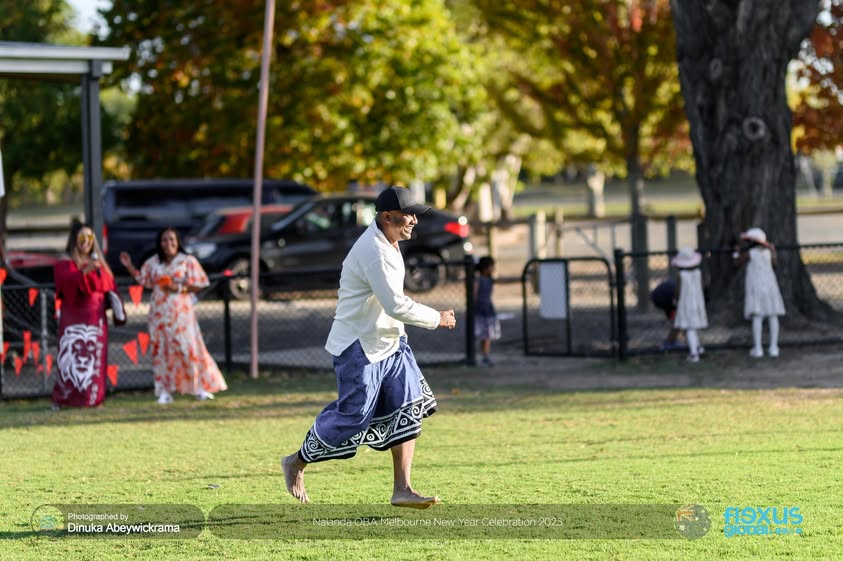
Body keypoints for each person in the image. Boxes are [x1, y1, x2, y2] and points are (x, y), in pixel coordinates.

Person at [280, 186, 457, 508]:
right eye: (409, 215)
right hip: (358, 347)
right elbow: (395, 305)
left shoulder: (389, 241)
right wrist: (437, 318)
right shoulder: (373, 251)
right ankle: (296, 461)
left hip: (391, 343)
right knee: (353, 418)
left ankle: (402, 488)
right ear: (387, 217)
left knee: (409, 406)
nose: (415, 220)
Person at [119, 228, 227, 403]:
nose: (168, 244)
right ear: (159, 243)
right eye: (164, 240)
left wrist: (178, 288)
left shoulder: (187, 261)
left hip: (181, 313)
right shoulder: (153, 262)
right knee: (161, 352)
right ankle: (164, 391)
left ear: (177, 242)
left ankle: (199, 387)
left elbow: (200, 282)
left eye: (172, 240)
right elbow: (143, 280)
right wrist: (129, 266)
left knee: (188, 349)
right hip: (159, 314)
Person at [52, 222, 116, 409]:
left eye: (89, 238)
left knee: (94, 359)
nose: (86, 242)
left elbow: (110, 286)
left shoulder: (99, 263)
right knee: (70, 357)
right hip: (73, 318)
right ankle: (63, 399)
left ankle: (94, 399)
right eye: (82, 238)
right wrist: (84, 272)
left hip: (96, 319)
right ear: (74, 240)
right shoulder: (65, 263)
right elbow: (65, 283)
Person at [733, 227, 785, 358]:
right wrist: (773, 252)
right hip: (770, 286)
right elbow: (775, 265)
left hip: (756, 287)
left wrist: (736, 253)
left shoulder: (751, 253)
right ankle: (774, 347)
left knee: (758, 316)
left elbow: (736, 263)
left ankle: (758, 348)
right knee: (773, 315)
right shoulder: (768, 253)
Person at [671, 248, 708, 362]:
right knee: (693, 327)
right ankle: (698, 347)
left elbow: (678, 291)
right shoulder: (698, 273)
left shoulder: (681, 275)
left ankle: (694, 354)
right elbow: (702, 287)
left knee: (689, 329)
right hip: (697, 302)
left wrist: (676, 299)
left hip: (686, 303)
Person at [474, 256, 500, 366]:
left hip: (488, 309)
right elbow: (474, 295)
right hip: (479, 310)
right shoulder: (478, 280)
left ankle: (485, 355)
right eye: (491, 266)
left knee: (487, 335)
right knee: (480, 333)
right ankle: (478, 355)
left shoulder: (490, 279)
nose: (493, 269)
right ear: (485, 268)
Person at [650, 278, 682, 350]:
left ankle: (671, 341)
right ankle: (669, 342)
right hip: (662, 298)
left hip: (664, 297)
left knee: (677, 321)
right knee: (677, 322)